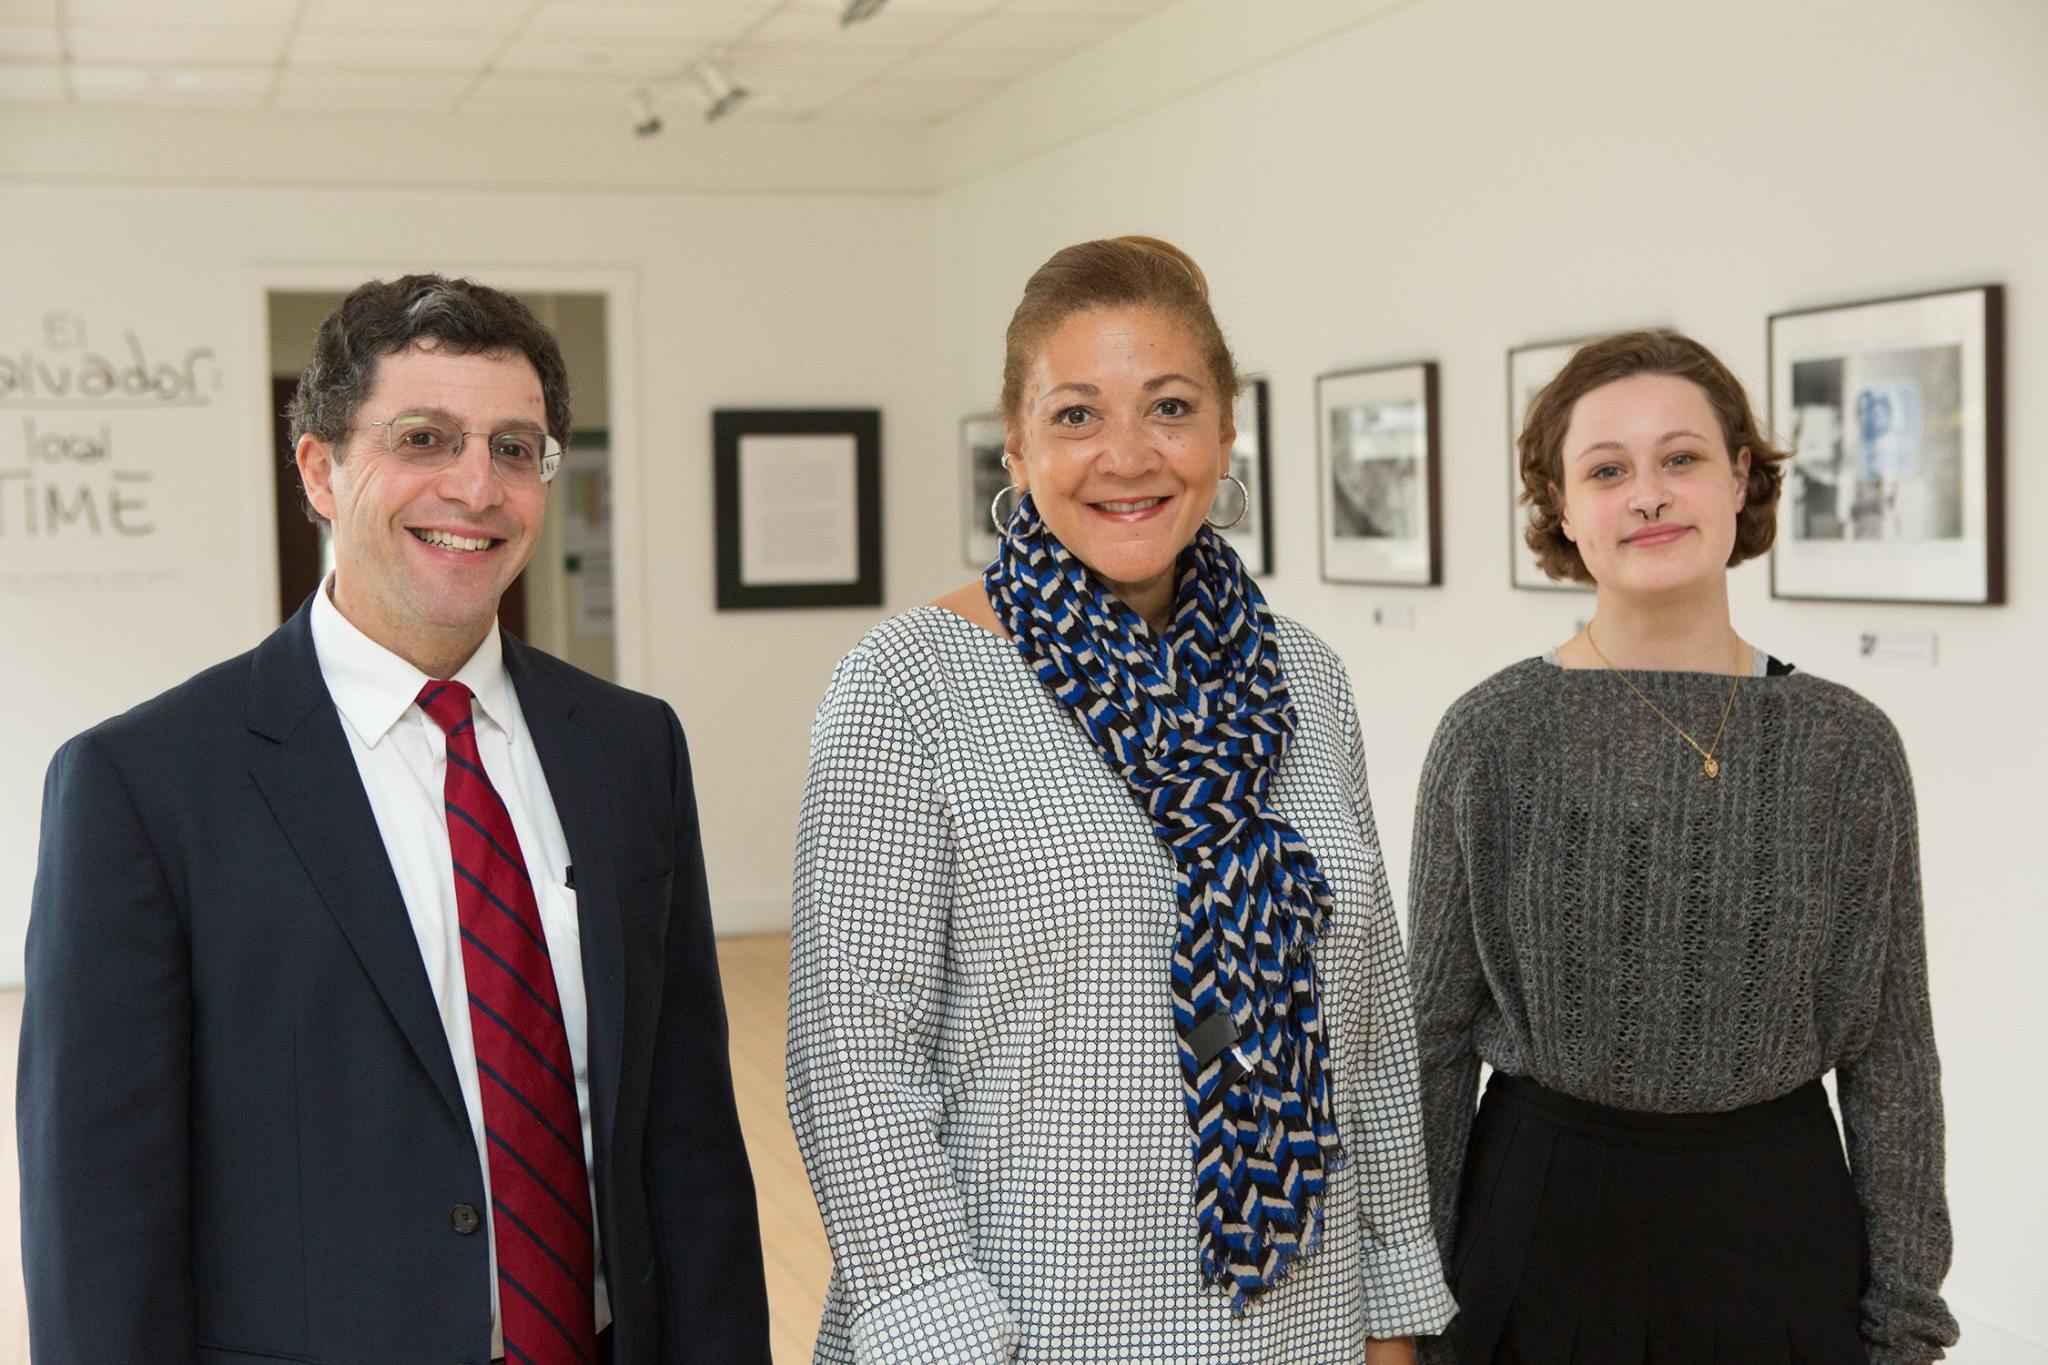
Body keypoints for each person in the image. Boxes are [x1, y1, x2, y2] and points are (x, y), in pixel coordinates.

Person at [18, 274, 770, 1365]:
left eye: (517, 449)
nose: (477, 487)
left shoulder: (628, 749)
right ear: (319, 471)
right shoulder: (143, 786)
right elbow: (97, 1213)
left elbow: (686, 1134)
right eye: (425, 438)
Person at [787, 236, 1453, 1364]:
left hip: (1302, 1323)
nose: (1127, 456)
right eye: (1077, 415)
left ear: (1225, 433)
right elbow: (850, 1049)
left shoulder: (1306, 677)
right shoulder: (911, 684)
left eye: (1169, 407)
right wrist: (938, 1323)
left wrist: (1391, 1303)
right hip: (1025, 1325)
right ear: (1017, 444)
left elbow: (1371, 1018)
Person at [1406, 330, 1958, 1365]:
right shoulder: (1489, 736)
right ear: (1562, 509)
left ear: (1739, 476)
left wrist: (1906, 1315)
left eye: (1681, 458)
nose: (1647, 494)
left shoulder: (1844, 744)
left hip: (1780, 1224)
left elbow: (1891, 1050)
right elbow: (1430, 1042)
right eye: (1605, 470)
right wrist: (1404, 1298)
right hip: (1537, 1221)